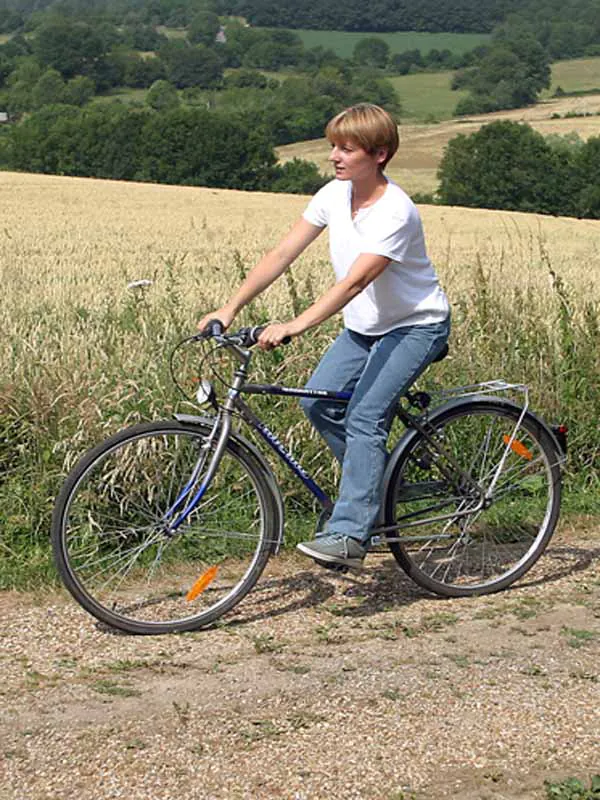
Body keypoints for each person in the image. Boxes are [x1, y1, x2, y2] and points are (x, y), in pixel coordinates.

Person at [197, 103, 450, 569]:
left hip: (416, 326)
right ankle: (378, 486)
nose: (333, 155)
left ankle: (353, 532)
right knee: (317, 402)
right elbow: (282, 254)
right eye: (332, 145)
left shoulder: (395, 212)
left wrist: (293, 325)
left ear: (378, 154)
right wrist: (230, 307)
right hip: (364, 329)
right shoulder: (334, 195)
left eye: (346, 148)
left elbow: (353, 284)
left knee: (365, 416)